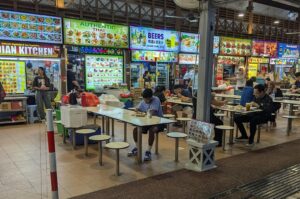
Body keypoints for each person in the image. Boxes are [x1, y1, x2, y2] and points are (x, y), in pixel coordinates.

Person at [128, 89, 164, 161]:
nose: (145, 101)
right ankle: (137, 147)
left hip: (159, 122)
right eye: (144, 99)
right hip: (147, 122)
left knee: (152, 130)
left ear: (151, 97)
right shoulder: (143, 100)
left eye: (147, 99)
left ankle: (148, 151)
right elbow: (138, 108)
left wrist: (144, 113)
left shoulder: (156, 99)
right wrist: (137, 110)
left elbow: (152, 113)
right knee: (136, 130)